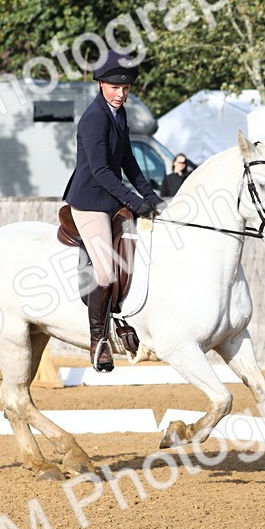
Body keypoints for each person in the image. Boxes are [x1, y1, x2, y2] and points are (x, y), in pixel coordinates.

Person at [62, 49, 165, 372]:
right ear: (100, 85)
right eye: (114, 88)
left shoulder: (118, 113)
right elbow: (102, 171)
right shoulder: (94, 118)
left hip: (113, 199)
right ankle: (99, 341)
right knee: (106, 271)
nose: (121, 94)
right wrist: (135, 202)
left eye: (126, 89)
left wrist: (152, 197)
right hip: (89, 201)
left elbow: (128, 161)